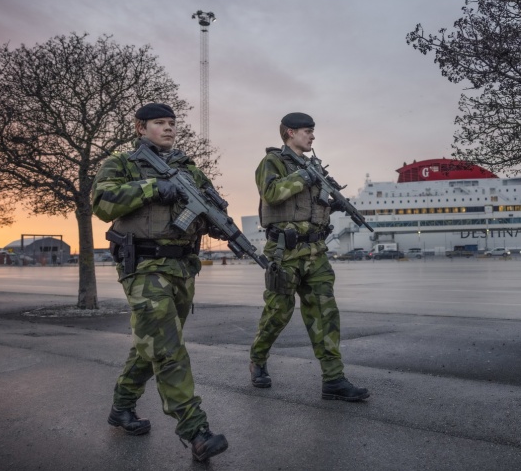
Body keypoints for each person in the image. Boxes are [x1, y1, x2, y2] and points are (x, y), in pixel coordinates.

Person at [92, 103, 228, 462]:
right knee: (168, 348)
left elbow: (211, 209)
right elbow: (103, 203)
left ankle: (122, 407)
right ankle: (196, 430)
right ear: (140, 127)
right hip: (144, 268)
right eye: (159, 123)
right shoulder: (120, 164)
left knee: (149, 345)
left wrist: (216, 220)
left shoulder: (189, 168)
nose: (168, 128)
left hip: (182, 268)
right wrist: (153, 187)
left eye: (172, 123)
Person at [249, 112, 369, 401]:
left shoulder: (312, 166)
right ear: (290, 133)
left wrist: (332, 206)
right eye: (307, 131)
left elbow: (311, 205)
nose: (312, 136)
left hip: (316, 252)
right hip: (285, 253)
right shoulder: (272, 162)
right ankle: (258, 358)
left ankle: (334, 379)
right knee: (278, 313)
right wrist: (304, 175)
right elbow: (273, 193)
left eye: (312, 131)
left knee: (326, 315)